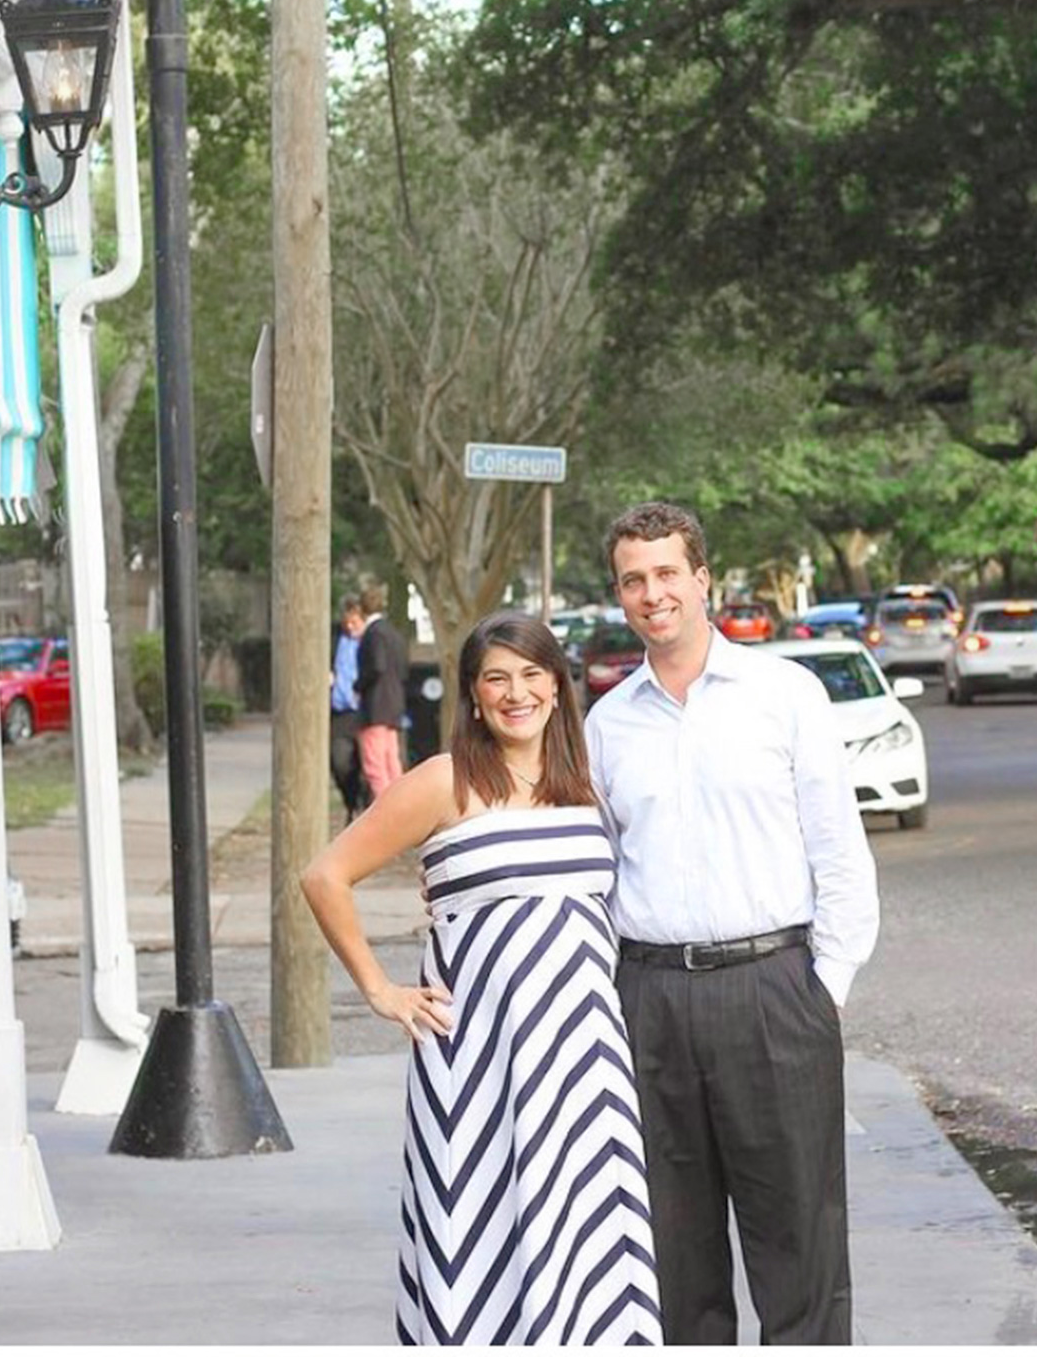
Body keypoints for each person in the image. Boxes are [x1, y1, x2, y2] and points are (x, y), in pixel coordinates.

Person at [303, 609, 662, 1347]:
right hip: (478, 1060)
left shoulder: (585, 781)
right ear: (472, 694)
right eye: (496, 679)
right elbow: (325, 875)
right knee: (475, 1232)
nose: (516, 693)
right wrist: (380, 990)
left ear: (557, 686)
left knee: (588, 1235)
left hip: (584, 1060)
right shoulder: (445, 781)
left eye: (531, 675)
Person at [589, 501, 881, 1344]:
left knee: (799, 1246)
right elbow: (598, 872)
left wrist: (823, 988)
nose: (652, 594)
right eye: (633, 580)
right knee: (671, 1256)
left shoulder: (784, 695)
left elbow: (839, 851)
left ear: (702, 579)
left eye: (666, 573)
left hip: (773, 991)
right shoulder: (607, 725)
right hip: (649, 1001)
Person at [352, 584, 409, 814]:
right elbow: (402, 669)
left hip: (374, 706)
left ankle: (388, 814)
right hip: (394, 704)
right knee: (392, 762)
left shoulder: (373, 634)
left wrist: (358, 685)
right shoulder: (394, 634)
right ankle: (403, 807)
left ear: (362, 608)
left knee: (374, 765)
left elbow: (377, 665)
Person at [331, 598, 368, 813]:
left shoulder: (371, 641)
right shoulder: (337, 640)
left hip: (364, 710)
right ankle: (350, 801)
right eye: (347, 622)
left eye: (355, 622)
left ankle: (363, 804)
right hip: (341, 711)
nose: (350, 626)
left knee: (367, 763)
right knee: (339, 761)